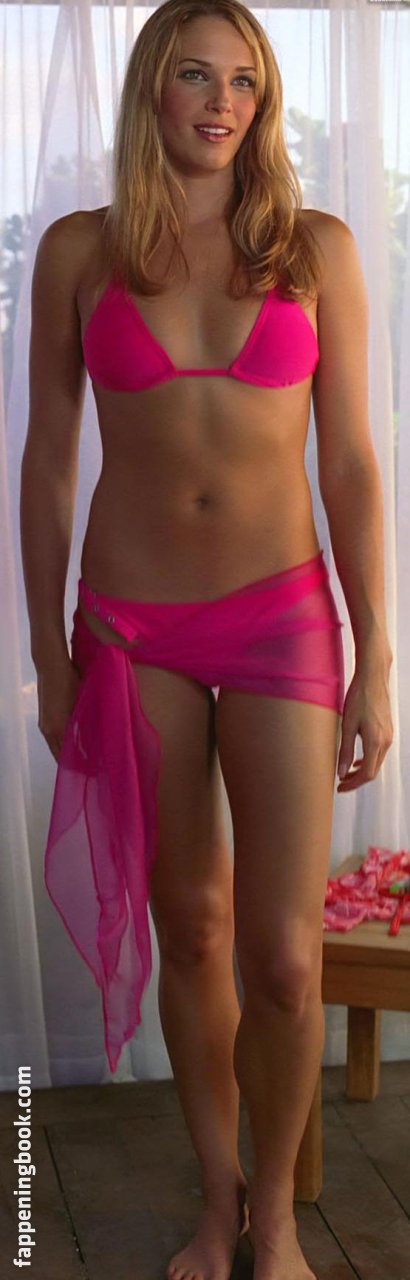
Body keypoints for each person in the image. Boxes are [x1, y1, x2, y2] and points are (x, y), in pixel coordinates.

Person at [20, 1, 394, 1278]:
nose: (221, 102)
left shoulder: (312, 246)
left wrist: (375, 655)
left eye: (243, 81)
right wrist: (50, 653)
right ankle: (217, 1193)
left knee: (283, 954)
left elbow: (349, 463)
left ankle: (277, 1216)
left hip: (281, 618)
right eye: (194, 76)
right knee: (189, 926)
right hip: (130, 629)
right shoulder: (79, 250)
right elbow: (47, 464)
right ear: (152, 91)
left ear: (263, 101)